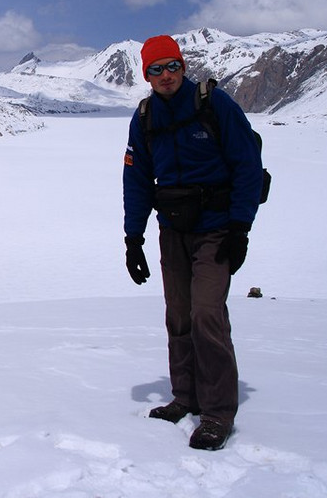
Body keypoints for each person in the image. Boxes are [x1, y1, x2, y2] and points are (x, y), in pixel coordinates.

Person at [122, 35, 263, 451]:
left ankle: (218, 412)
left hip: (217, 229)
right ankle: (186, 396)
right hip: (174, 231)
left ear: (184, 67)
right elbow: (136, 180)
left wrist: (240, 228)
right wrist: (134, 238)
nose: (166, 76)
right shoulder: (144, 116)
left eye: (172, 66)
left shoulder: (214, 104)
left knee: (207, 314)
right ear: (145, 75)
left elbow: (247, 166)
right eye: (155, 69)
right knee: (179, 315)